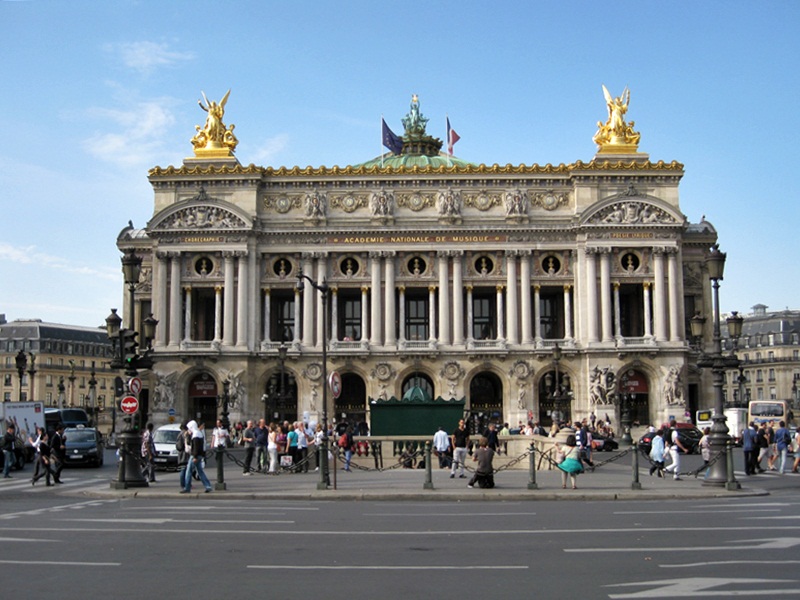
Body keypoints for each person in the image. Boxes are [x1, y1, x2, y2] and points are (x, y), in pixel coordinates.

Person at [181, 420, 212, 493]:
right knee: (200, 472)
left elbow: (195, 447)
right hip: (199, 455)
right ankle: (208, 486)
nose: (189, 429)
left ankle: (187, 488)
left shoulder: (195, 435)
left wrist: (194, 457)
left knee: (188, 471)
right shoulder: (199, 433)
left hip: (195, 455)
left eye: (189, 428)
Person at [176, 421, 191, 490]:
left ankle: (184, 484)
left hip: (181, 453)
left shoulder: (180, 433)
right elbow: (187, 443)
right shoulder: (185, 434)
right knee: (184, 469)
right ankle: (184, 484)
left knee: (183, 468)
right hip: (185, 453)